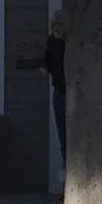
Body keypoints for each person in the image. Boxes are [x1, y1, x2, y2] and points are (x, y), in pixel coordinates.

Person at [42, 12, 68, 158]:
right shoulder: (51, 41)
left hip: (72, 91)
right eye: (54, 25)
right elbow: (48, 62)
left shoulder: (70, 43)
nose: (56, 28)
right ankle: (66, 170)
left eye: (59, 24)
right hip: (59, 90)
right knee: (63, 137)